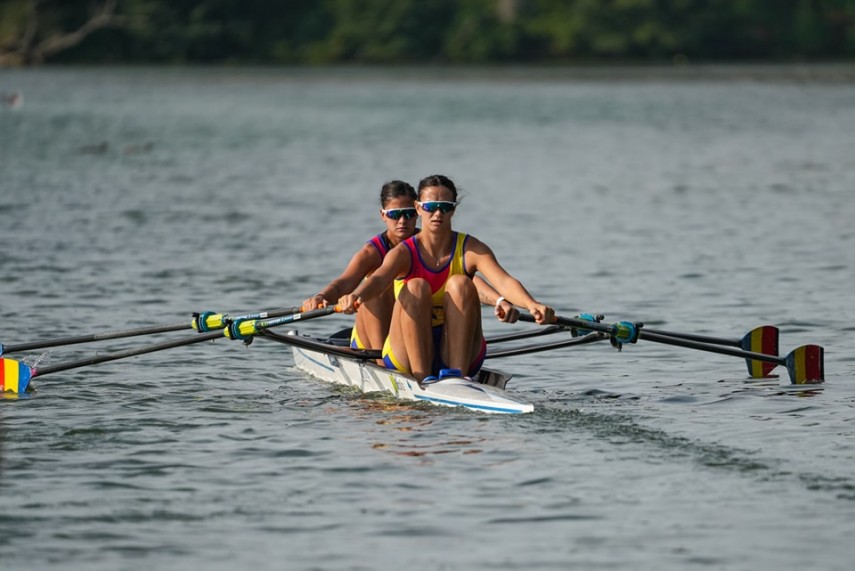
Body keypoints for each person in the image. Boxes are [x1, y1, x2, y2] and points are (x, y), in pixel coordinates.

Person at [338, 174, 554, 383]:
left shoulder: (470, 248)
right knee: (416, 287)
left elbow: (504, 281)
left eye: (446, 207)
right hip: (406, 356)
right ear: (418, 207)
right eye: (431, 207)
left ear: (453, 210)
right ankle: (422, 378)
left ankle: (458, 377)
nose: (437, 214)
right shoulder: (403, 253)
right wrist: (355, 295)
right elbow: (377, 281)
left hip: (458, 352)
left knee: (461, 284)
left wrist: (531, 304)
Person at [302, 179, 518, 352]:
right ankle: (381, 363)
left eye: (409, 214)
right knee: (379, 282)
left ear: (418, 212)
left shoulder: (428, 245)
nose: (403, 221)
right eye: (395, 215)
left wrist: (499, 300)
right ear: (383, 216)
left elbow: (469, 280)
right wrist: (322, 297)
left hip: (418, 334)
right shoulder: (372, 252)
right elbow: (343, 284)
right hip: (380, 338)